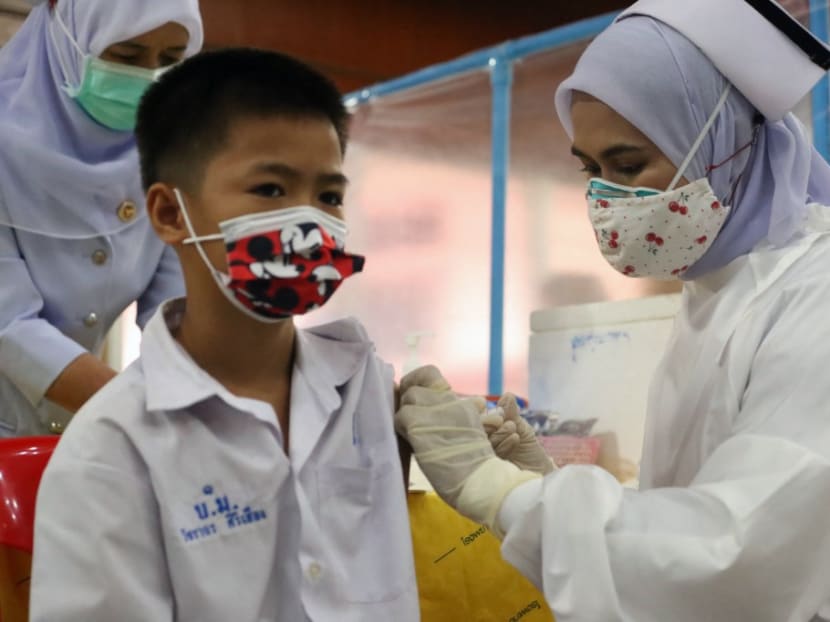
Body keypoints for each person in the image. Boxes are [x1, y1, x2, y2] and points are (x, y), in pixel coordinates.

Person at [394, 2, 830, 620]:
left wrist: (501, 494)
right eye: (591, 171)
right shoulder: (718, 286)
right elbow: (682, 509)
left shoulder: (815, 289)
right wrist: (546, 486)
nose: (606, 199)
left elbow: (737, 553)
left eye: (627, 166)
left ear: (726, 149)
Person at [29, 47, 419, 621]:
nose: (311, 225)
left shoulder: (366, 393)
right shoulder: (113, 451)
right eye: (270, 190)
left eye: (330, 196)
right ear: (169, 214)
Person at [0, 0, 202, 436]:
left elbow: (176, 308)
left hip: (74, 434)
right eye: (126, 56)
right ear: (67, 42)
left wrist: (202, 394)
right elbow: (7, 324)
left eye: (171, 61)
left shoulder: (163, 155)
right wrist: (145, 415)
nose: (149, 77)